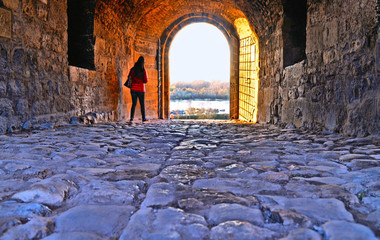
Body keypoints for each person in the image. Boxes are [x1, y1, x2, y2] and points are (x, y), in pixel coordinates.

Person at [127, 56, 149, 123]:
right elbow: (146, 81)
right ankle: (143, 118)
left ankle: (131, 118)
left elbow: (129, 77)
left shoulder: (133, 69)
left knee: (134, 104)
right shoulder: (143, 70)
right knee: (142, 104)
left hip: (133, 89)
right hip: (141, 90)